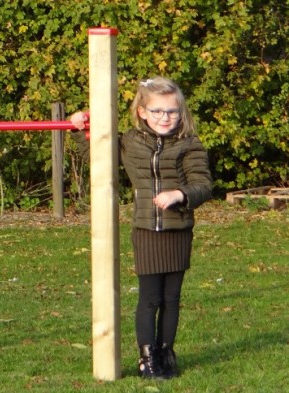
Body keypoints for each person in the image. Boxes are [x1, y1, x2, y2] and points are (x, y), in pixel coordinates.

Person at [70, 76, 213, 379]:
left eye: (172, 112)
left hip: (178, 230)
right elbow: (97, 157)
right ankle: (147, 359)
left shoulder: (190, 144)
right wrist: (79, 129)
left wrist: (180, 194)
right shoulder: (131, 142)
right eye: (157, 111)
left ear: (181, 113)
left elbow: (202, 185)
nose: (165, 118)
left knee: (171, 298)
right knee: (150, 297)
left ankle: (166, 352)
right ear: (142, 112)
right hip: (146, 230)